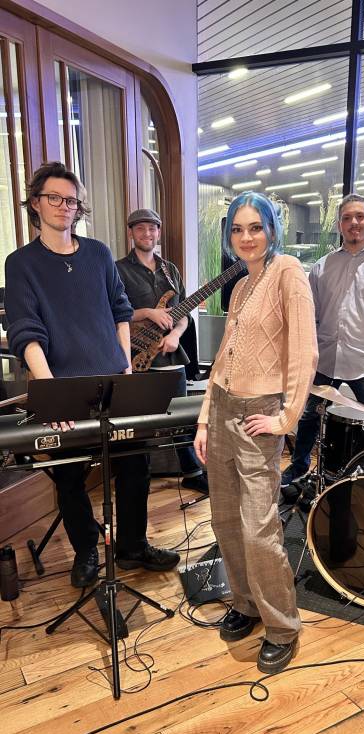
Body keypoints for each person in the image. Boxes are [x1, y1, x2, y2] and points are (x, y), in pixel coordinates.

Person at [5, 162, 179, 588]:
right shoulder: (21, 263)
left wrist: (125, 367)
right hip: (60, 385)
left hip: (113, 379)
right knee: (69, 477)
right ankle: (86, 551)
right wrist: (51, 391)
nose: (64, 206)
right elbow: (26, 332)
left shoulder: (99, 254)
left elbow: (121, 312)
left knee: (135, 465)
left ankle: (132, 546)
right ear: (35, 203)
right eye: (54, 198)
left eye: (71, 200)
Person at [194, 191, 318, 675]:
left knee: (259, 526)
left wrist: (285, 419)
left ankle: (282, 626)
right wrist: (205, 418)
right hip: (224, 408)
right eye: (237, 229)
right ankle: (246, 604)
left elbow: (304, 353)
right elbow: (223, 360)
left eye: (255, 227)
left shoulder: (288, 271)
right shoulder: (242, 285)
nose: (246, 237)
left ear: (271, 229)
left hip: (258, 413)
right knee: (225, 519)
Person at [281, 193, 364, 487]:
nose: (354, 223)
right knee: (309, 417)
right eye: (347, 218)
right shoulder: (322, 266)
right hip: (324, 359)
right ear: (340, 224)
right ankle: (299, 467)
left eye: (359, 216)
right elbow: (308, 316)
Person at [116, 209, 208, 494]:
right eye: (141, 228)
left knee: (180, 419)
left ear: (159, 232)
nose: (147, 234)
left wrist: (176, 336)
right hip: (136, 357)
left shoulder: (171, 270)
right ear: (131, 232)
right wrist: (147, 312)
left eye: (152, 228)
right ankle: (138, 478)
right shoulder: (118, 269)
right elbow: (112, 313)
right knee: (140, 423)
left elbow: (183, 313)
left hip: (171, 357)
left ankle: (192, 472)